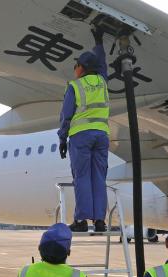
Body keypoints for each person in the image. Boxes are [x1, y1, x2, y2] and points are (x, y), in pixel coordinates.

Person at [58, 26, 110, 233]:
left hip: (81, 137)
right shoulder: (102, 82)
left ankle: (81, 220)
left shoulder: (75, 86)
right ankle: (99, 220)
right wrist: (99, 42)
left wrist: (62, 139)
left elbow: (66, 116)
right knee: (98, 177)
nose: (75, 69)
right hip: (102, 136)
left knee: (81, 177)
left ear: (81, 67)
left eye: (76, 65)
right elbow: (102, 62)